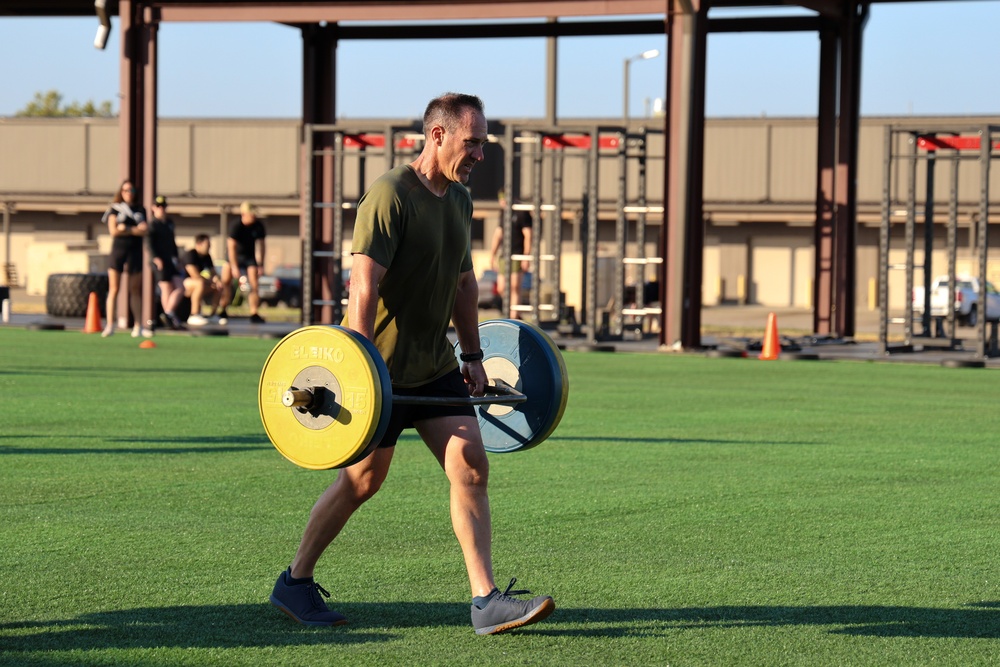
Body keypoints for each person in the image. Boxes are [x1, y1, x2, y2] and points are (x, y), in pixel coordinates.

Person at [268, 93, 554, 636]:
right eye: (472, 143)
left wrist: (472, 356)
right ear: (438, 135)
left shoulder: (460, 201)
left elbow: (463, 286)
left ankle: (485, 600)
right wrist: (359, 372)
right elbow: (363, 285)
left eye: (483, 144)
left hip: (434, 365)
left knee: (470, 464)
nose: (479, 154)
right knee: (362, 481)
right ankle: (295, 581)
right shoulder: (390, 194)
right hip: (379, 373)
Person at [101, 179, 150, 338]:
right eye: (126, 190)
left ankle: (138, 325)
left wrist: (127, 229)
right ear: (121, 192)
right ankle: (110, 324)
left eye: (132, 191)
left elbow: (143, 230)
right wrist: (132, 229)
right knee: (114, 288)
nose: (129, 194)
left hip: (135, 251)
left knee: (135, 289)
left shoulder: (140, 210)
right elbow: (114, 231)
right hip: (118, 251)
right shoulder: (115, 209)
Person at [218, 201, 266, 325]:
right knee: (226, 282)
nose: (254, 216)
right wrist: (234, 267)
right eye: (251, 214)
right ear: (244, 214)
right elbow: (231, 248)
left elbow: (261, 245)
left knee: (254, 285)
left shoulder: (258, 226)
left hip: (249, 257)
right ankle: (222, 309)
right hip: (234, 256)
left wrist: (260, 264)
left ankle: (254, 312)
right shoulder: (236, 226)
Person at [490, 191, 532, 319]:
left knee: (514, 286)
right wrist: (493, 254)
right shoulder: (504, 212)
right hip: (505, 255)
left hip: (517, 254)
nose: (502, 203)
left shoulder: (521, 211)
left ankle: (514, 316)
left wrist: (526, 256)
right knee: (502, 287)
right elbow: (498, 234)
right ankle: (513, 312)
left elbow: (528, 235)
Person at [147, 195, 185, 330]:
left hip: (170, 260)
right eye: (158, 206)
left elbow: (172, 243)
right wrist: (155, 257)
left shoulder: (169, 223)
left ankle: (168, 313)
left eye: (163, 206)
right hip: (160, 261)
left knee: (180, 286)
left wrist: (177, 258)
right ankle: (169, 318)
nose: (161, 209)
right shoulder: (153, 225)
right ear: (153, 208)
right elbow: (149, 243)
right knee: (166, 288)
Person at [182, 234, 223, 326]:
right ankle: (194, 314)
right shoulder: (190, 255)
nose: (209, 247)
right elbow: (194, 275)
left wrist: (217, 281)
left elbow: (213, 273)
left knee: (218, 287)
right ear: (199, 244)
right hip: (183, 283)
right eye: (207, 244)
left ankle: (213, 315)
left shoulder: (207, 257)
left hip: (198, 283)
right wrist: (210, 281)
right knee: (199, 283)